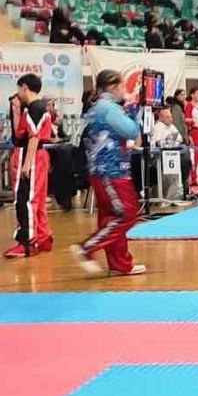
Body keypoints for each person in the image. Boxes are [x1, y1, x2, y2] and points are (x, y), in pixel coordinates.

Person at [71, 69, 146, 278]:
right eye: (122, 87)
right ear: (113, 87)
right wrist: (134, 110)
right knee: (128, 214)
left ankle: (120, 264)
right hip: (111, 172)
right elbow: (131, 131)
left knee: (110, 218)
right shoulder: (108, 109)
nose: (124, 91)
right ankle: (86, 248)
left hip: (101, 170)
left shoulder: (96, 108)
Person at [5, 74, 53, 258]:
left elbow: (34, 137)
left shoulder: (35, 107)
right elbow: (20, 135)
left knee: (25, 199)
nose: (17, 93)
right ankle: (42, 236)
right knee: (37, 199)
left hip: (31, 155)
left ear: (24, 87)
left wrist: (26, 164)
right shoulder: (33, 108)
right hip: (34, 155)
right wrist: (16, 110)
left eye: (19, 89)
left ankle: (27, 242)